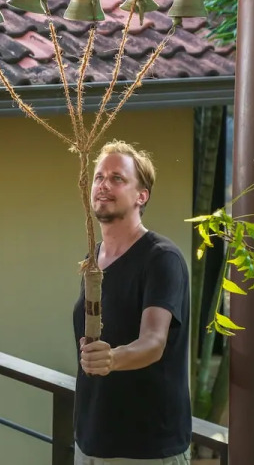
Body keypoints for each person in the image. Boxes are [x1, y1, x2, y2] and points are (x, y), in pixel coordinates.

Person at [73, 140, 191, 464]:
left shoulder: (161, 258)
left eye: (117, 178)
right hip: (91, 442)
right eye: (99, 177)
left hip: (145, 448)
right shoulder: (93, 259)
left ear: (142, 196)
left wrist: (112, 358)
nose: (103, 185)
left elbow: (153, 342)